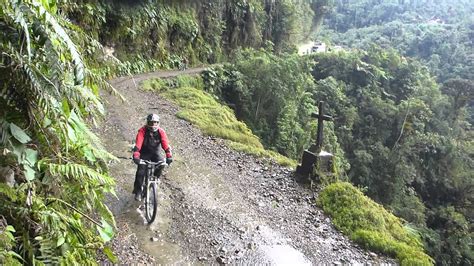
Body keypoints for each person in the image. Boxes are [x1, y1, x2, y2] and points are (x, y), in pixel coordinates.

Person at [132, 114, 173, 201]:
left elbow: (165, 144)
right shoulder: (142, 131)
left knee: (161, 164)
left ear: (158, 123)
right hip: (144, 153)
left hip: (155, 153)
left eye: (155, 123)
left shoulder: (161, 132)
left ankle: (156, 177)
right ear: (147, 123)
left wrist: (169, 155)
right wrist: (136, 155)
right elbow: (138, 144)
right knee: (141, 171)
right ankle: (138, 191)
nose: (153, 125)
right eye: (151, 123)